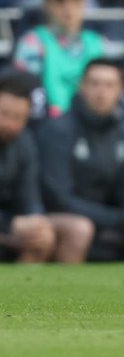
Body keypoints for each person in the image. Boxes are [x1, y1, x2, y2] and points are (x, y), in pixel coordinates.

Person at [38, 60, 124, 263]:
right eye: (94, 84)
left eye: (109, 85)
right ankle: (66, 292)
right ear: (81, 86)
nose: (101, 92)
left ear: (121, 90)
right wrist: (117, 219)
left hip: (111, 217)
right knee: (80, 228)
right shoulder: (58, 130)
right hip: (63, 217)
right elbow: (59, 198)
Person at [0, 74, 94, 263]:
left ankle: (28, 289)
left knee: (67, 230)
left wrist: (35, 219)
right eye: (4, 114)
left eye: (18, 117)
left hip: (11, 220)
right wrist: (10, 223)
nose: (10, 123)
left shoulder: (24, 142)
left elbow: (30, 196)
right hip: (7, 221)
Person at [12, 0, 104, 119]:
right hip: (45, 124)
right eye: (60, 1)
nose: (68, 9)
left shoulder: (98, 43)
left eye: (76, 0)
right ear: (46, 4)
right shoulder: (32, 43)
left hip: (92, 124)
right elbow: (25, 91)